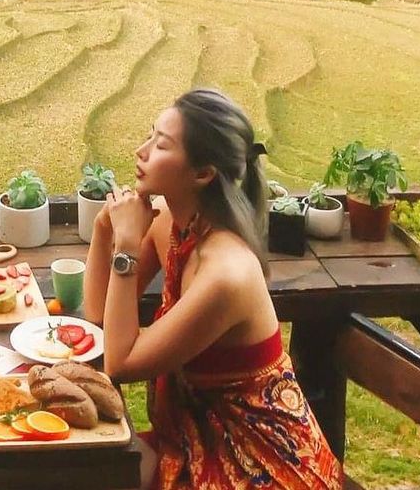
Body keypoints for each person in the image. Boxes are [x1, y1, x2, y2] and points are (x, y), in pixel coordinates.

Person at [82, 88, 342, 490]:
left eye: (161, 144)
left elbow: (120, 361)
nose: (142, 150)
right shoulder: (171, 224)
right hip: (197, 444)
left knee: (82, 474)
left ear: (203, 173)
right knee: (74, 468)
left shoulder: (227, 274)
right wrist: (106, 229)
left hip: (260, 465)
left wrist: (127, 248)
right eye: (149, 135)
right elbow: (99, 313)